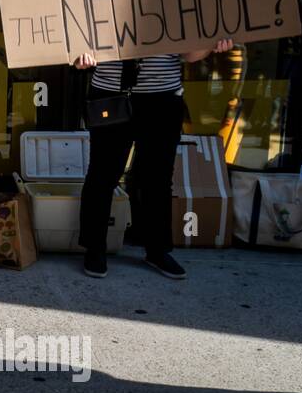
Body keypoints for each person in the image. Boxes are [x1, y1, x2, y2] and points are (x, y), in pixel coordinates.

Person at [74, 39, 234, 280]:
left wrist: (211, 44)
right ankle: (94, 248)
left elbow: (189, 54)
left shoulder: (174, 1)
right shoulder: (99, 0)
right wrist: (79, 56)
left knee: (157, 178)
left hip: (163, 98)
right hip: (110, 93)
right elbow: (76, 45)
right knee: (103, 174)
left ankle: (157, 251)